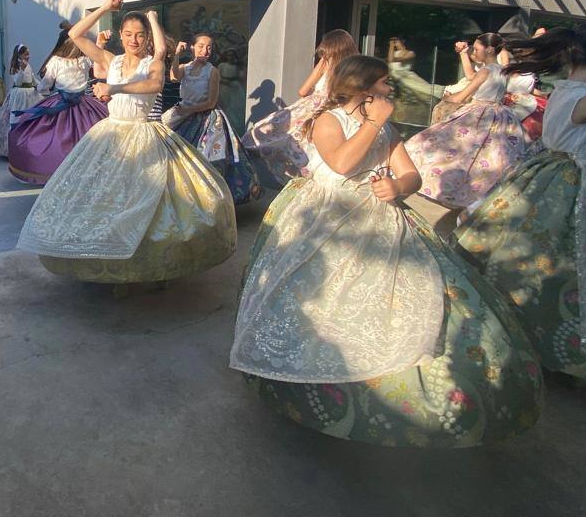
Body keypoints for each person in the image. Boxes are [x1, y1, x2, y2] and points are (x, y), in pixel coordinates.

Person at [230, 55, 542, 447]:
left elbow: (411, 173)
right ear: (361, 88)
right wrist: (374, 122)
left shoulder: (387, 127)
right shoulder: (328, 120)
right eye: (381, 84)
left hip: (381, 215)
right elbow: (342, 163)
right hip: (327, 218)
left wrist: (399, 187)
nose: (389, 90)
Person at [455, 14, 586, 389]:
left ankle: (533, 341)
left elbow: (580, 142)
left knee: (542, 265)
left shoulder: (563, 90)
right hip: (583, 183)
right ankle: (575, 353)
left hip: (548, 172)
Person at [17, 0, 236, 288]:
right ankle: (111, 263)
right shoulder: (111, 60)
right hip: (110, 136)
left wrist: (115, 87)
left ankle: (151, 265)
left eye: (140, 35)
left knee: (152, 203)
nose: (134, 39)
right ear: (121, 35)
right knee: (105, 201)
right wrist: (105, 8)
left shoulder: (153, 63)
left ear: (147, 39)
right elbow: (74, 35)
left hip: (145, 135)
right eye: (129, 34)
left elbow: (154, 85)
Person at [404, 33, 527, 208]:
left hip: (479, 112)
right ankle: (476, 194)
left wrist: (444, 97)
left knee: (443, 146)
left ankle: (440, 185)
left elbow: (461, 96)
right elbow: (472, 77)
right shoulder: (502, 70)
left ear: (490, 49)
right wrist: (463, 54)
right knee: (484, 156)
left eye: (477, 49)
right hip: (499, 114)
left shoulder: (485, 71)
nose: (474, 53)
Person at [242, 29, 358, 186]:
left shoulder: (325, 63)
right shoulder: (354, 68)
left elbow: (303, 91)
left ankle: (294, 180)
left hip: (313, 108)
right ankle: (310, 181)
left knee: (273, 135)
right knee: (311, 148)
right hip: (335, 111)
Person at [161, 34, 261, 204]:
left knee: (209, 160)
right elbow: (173, 76)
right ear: (192, 48)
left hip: (207, 119)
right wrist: (176, 53)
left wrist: (188, 109)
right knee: (174, 155)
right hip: (183, 115)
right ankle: (182, 198)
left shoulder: (212, 71)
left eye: (209, 47)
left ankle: (211, 201)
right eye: (201, 46)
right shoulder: (186, 68)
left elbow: (211, 102)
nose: (205, 50)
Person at [7, 29, 109, 184]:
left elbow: (45, 85)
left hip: (60, 104)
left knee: (49, 138)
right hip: (85, 106)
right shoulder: (85, 60)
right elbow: (98, 62)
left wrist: (43, 90)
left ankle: (52, 170)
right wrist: (100, 44)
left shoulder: (56, 61)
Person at [0, 44, 43, 157]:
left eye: (28, 53)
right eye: (26, 54)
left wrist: (43, 86)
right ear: (19, 54)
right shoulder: (15, 66)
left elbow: (33, 80)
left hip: (31, 94)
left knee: (32, 119)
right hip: (20, 96)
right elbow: (18, 82)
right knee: (17, 119)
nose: (28, 56)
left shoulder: (28, 65)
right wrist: (22, 70)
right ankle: (14, 148)